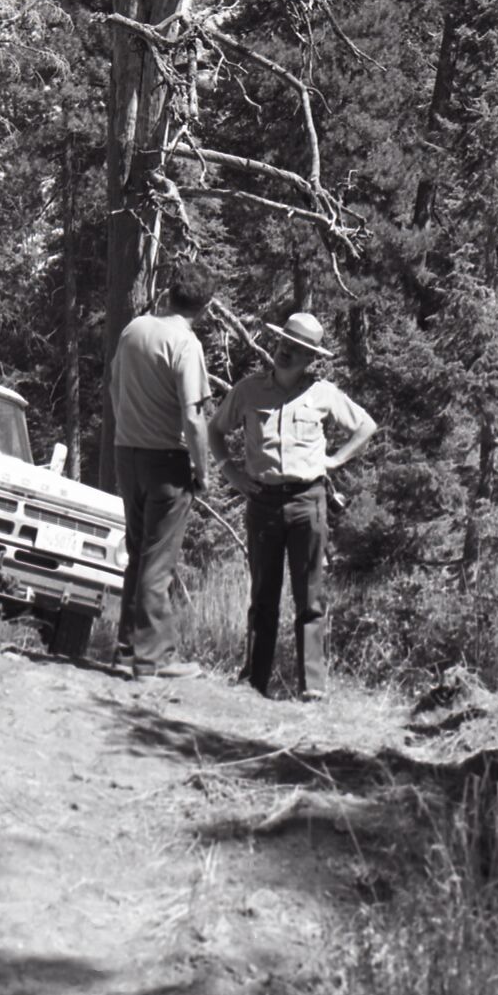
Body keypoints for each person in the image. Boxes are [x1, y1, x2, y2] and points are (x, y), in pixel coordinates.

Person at [209, 309, 375, 702]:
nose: (286, 352)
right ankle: (253, 683)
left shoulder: (323, 393)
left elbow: (365, 426)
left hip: (308, 502)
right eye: (285, 343)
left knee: (310, 598)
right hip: (262, 502)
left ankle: (313, 689)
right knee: (263, 597)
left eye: (297, 349)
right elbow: (215, 430)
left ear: (310, 357)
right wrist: (230, 472)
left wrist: (335, 460)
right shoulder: (249, 391)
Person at [106, 273, 219, 678]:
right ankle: (154, 659)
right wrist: (202, 470)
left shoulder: (135, 328)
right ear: (203, 310)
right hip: (165, 460)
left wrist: (126, 432)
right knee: (158, 562)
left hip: (127, 453)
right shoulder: (186, 344)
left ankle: (126, 651)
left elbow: (114, 386)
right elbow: (193, 415)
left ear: (169, 295)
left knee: (138, 555)